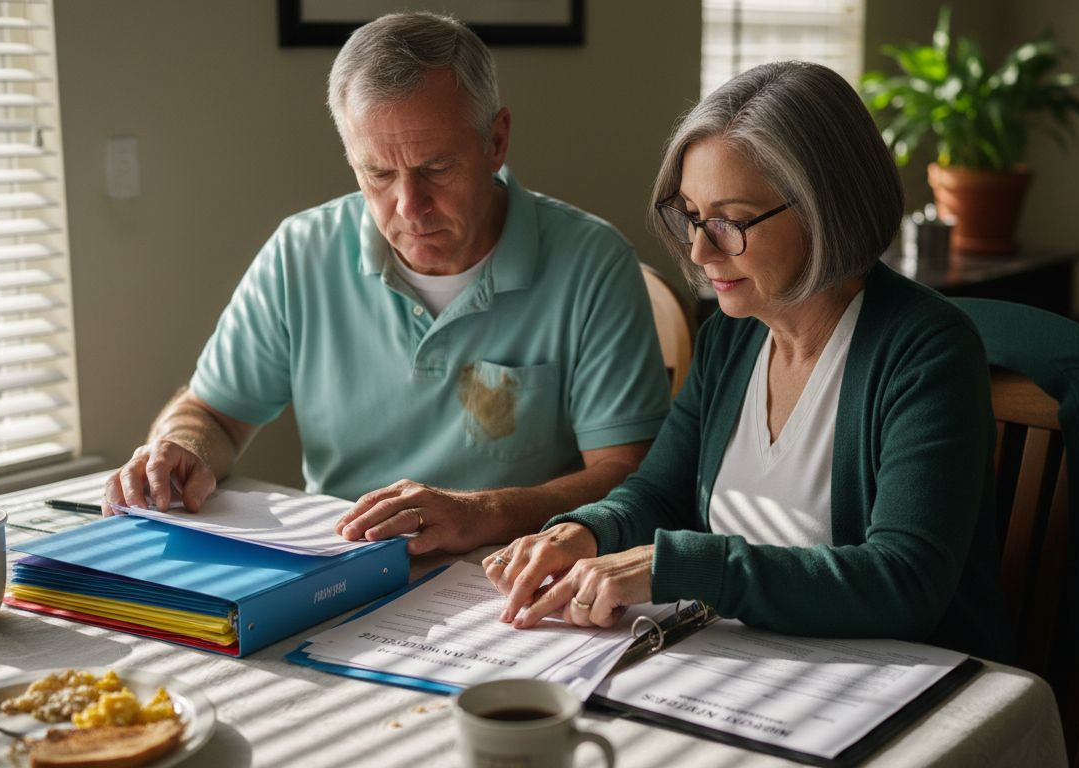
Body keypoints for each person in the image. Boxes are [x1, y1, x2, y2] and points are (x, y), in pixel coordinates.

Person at [486, 61, 1014, 662]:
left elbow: (904, 583)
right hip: (744, 668)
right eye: (689, 214)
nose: (699, 249)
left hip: (892, 684)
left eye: (730, 221)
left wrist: (684, 565)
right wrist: (587, 530)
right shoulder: (730, 339)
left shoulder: (927, 351)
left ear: (826, 207)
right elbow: (659, 493)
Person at [101, 12, 669, 556]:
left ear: (496, 141)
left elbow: (629, 475)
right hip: (338, 567)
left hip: (509, 574)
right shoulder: (301, 252)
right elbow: (214, 415)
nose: (409, 206)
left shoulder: (593, 263)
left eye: (436, 169)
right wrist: (180, 448)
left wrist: (483, 512)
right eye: (377, 173)